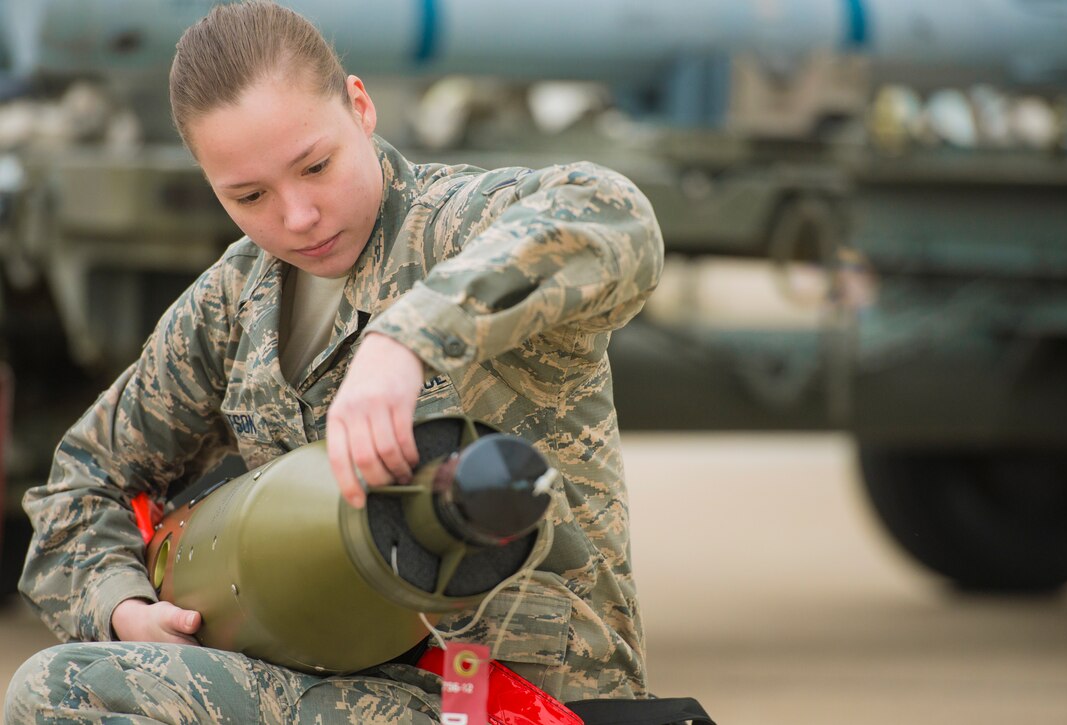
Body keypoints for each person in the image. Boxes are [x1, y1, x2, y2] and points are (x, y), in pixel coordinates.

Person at [4, 1, 663, 722]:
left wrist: (410, 338)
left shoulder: (454, 229)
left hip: (509, 701)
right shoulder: (234, 302)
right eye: (248, 195)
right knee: (68, 686)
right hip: (331, 680)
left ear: (360, 106)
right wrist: (121, 604)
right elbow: (82, 482)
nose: (297, 216)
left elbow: (613, 213)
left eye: (316, 166)